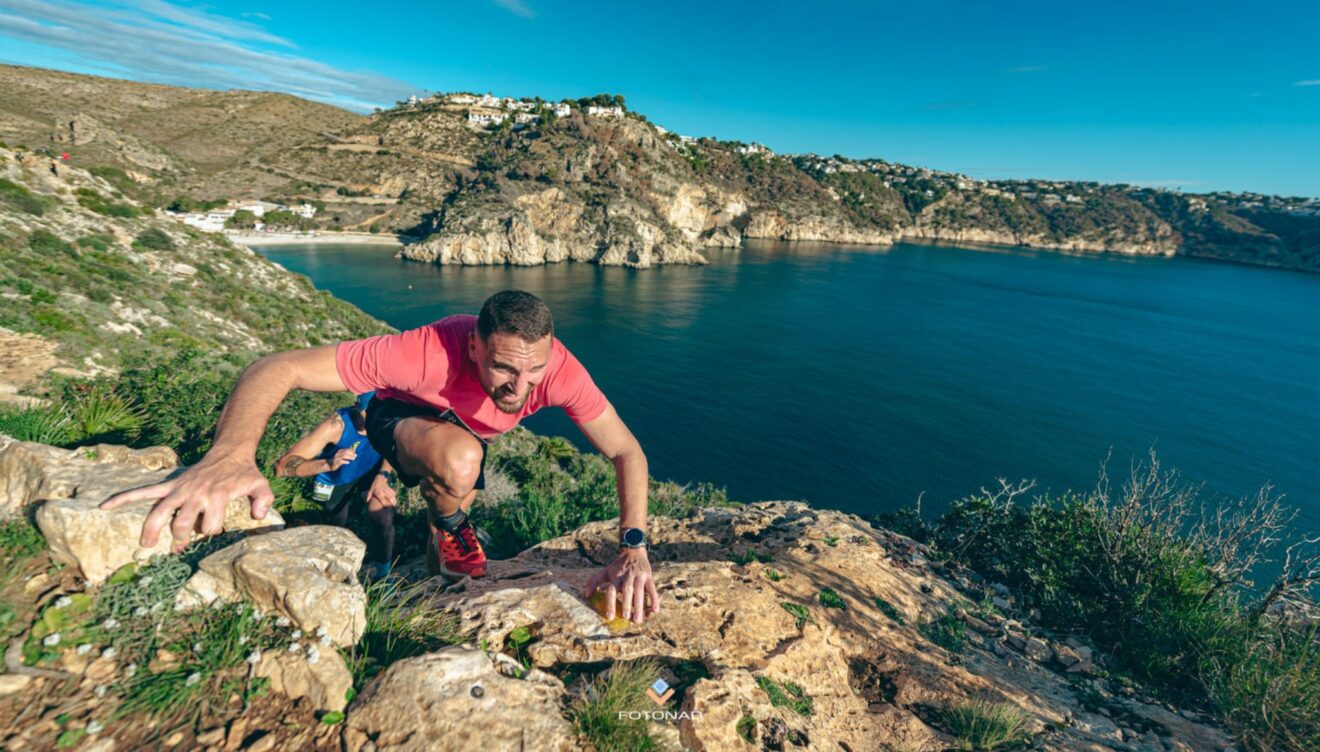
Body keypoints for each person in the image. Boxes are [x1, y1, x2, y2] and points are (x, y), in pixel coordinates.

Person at [102, 290, 659, 624]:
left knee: (459, 472)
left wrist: (633, 546)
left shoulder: (557, 370)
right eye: (504, 369)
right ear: (472, 346)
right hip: (400, 419)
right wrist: (228, 454)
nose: (521, 386)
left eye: (533, 371)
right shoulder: (422, 353)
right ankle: (447, 521)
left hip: (462, 433)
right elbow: (279, 367)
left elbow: (626, 450)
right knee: (461, 462)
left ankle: (443, 525)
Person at [274, 391, 396, 579]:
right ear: (356, 408)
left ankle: (384, 574)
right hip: (335, 477)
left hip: (372, 471)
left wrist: (383, 474)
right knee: (337, 525)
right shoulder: (335, 426)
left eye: (378, 412)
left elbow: (394, 443)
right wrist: (327, 464)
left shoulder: (387, 415)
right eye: (367, 413)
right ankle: (338, 567)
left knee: (383, 517)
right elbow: (282, 467)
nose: (374, 420)